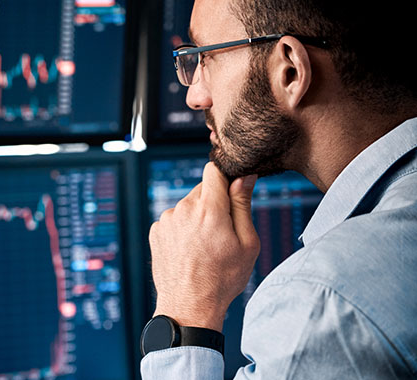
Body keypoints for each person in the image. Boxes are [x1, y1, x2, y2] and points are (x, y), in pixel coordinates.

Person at [139, 0, 417, 378]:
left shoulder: (321, 301)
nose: (195, 95)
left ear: (290, 70)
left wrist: (186, 316)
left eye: (204, 57)